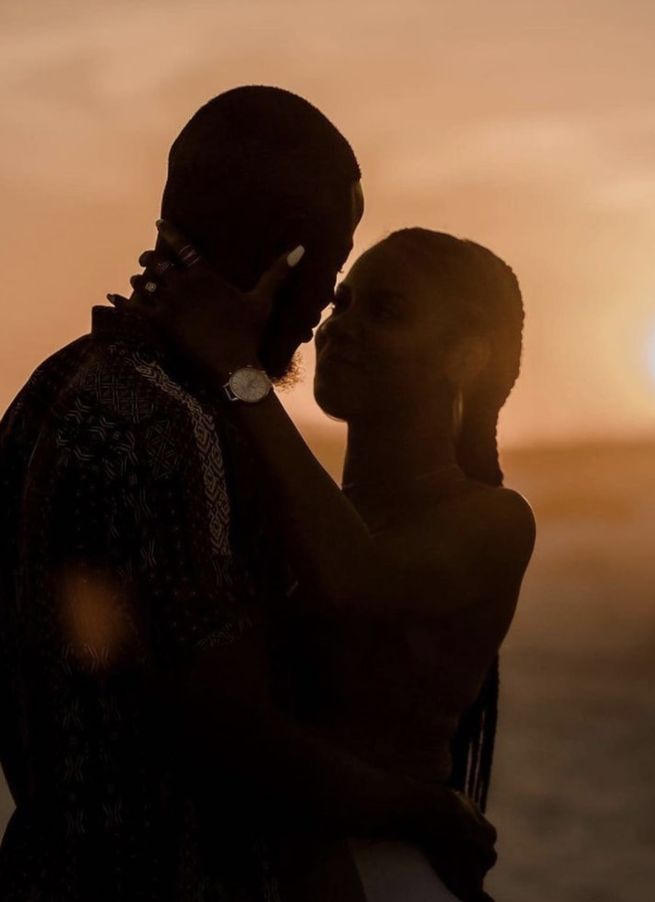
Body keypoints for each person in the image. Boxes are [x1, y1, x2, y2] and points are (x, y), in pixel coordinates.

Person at [0, 87, 495, 902]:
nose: (322, 319)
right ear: (285, 263)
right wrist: (424, 811)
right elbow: (237, 736)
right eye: (330, 276)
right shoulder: (176, 430)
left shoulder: (56, 382)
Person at [119, 220, 536, 901]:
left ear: (464, 358)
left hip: (379, 873)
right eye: (340, 303)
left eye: (386, 310)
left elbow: (351, 580)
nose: (340, 327)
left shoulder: (492, 520)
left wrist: (239, 371)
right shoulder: (314, 508)